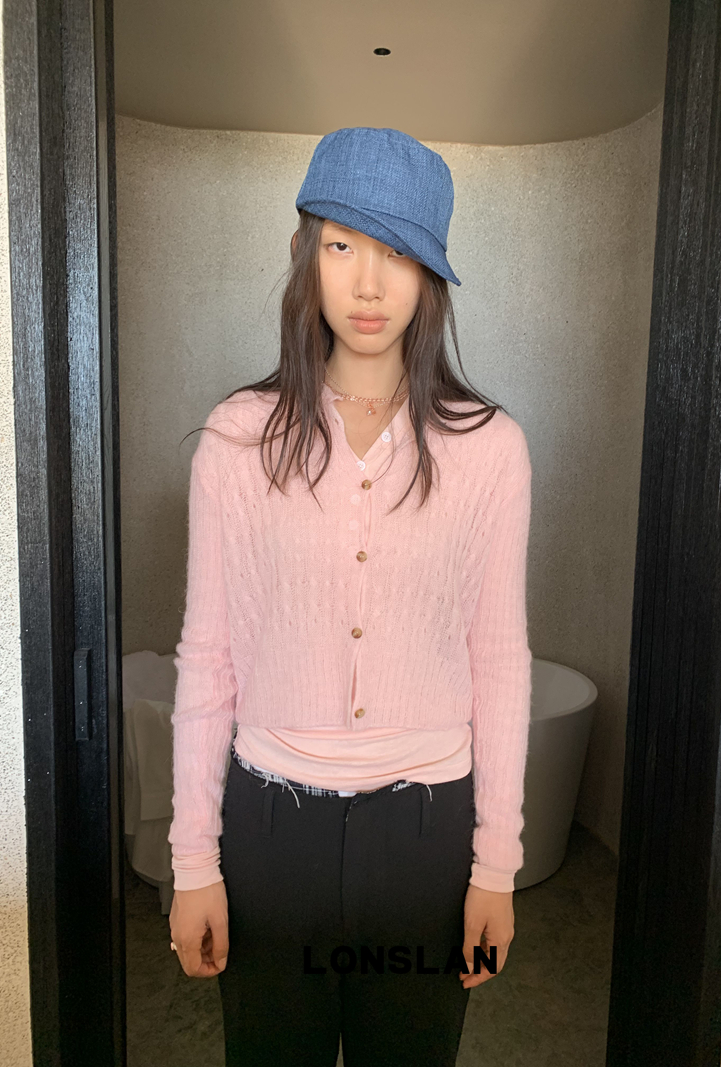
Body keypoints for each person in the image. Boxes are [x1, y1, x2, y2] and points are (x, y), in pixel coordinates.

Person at [167, 126, 533, 1067]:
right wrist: (194, 860)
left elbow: (499, 661)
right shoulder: (238, 439)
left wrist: (495, 866)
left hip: (425, 840)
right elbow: (209, 657)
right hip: (270, 834)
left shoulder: (490, 448)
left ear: (430, 274)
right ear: (306, 253)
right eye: (342, 245)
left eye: (398, 252)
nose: (369, 284)